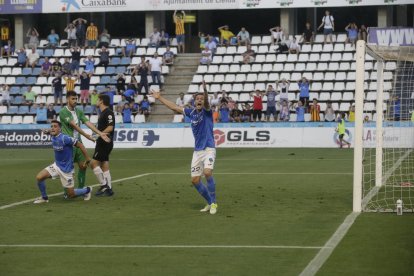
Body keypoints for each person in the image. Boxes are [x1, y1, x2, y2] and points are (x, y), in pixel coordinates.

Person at [151, 82, 218, 214]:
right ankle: (210, 203)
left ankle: (214, 203)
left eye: (201, 99)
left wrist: (205, 90)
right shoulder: (191, 112)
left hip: (209, 148)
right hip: (197, 151)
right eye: (197, 99)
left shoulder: (207, 112)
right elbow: (175, 107)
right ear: (194, 101)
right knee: (195, 180)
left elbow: (207, 104)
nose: (199, 100)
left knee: (208, 172)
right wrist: (159, 98)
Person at [59, 90, 109, 190]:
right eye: (73, 99)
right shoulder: (63, 112)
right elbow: (74, 125)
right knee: (68, 170)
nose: (75, 101)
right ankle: (67, 192)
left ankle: (80, 189)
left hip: (78, 143)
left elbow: (87, 123)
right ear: (67, 99)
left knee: (83, 166)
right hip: (68, 144)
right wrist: (87, 136)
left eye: (76, 99)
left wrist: (100, 133)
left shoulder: (79, 111)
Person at [33, 120, 93, 204]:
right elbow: (50, 131)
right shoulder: (53, 134)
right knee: (39, 177)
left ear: (60, 129)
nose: (52, 128)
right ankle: (44, 198)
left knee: (71, 195)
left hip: (66, 170)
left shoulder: (65, 138)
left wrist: (87, 158)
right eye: (51, 126)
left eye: (55, 126)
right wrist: (46, 131)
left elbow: (80, 144)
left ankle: (87, 190)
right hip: (56, 166)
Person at [90, 94, 115, 196]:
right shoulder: (103, 113)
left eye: (97, 100)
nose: (96, 101)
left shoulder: (108, 112)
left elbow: (110, 127)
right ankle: (109, 188)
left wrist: (99, 135)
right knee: (104, 165)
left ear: (101, 101)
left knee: (93, 163)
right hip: (103, 142)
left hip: (104, 142)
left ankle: (104, 185)